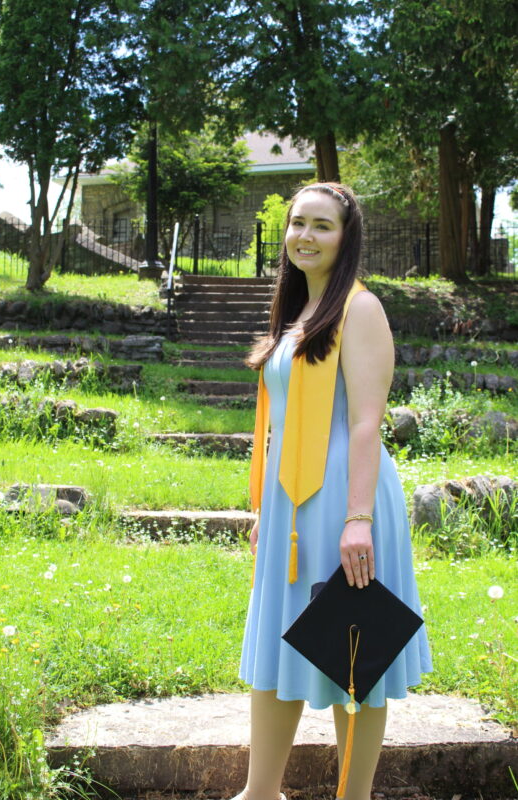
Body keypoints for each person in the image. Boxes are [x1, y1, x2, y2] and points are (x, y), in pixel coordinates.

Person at [237, 182, 432, 800]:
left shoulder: (360, 309)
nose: (305, 236)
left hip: (346, 498)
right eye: (298, 223)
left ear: (347, 237)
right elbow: (285, 420)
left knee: (354, 649)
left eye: (322, 225)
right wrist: (267, 511)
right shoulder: (298, 311)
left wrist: (358, 519)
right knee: (278, 642)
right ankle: (260, 792)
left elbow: (366, 422)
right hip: (292, 503)